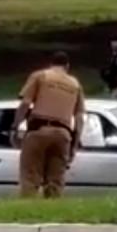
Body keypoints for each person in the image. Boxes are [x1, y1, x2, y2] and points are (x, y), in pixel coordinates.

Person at [13, 51, 86, 199]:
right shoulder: (75, 84)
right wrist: (75, 143)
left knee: (30, 176)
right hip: (63, 134)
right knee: (55, 179)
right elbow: (79, 117)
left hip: (38, 130)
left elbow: (26, 103)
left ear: (51, 64)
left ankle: (28, 208)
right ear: (67, 66)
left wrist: (15, 125)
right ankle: (52, 208)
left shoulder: (41, 76)